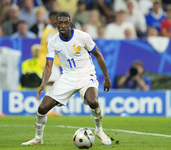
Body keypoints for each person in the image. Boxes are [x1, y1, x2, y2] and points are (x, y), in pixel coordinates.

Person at [21, 11, 112, 146]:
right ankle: (38, 138)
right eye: (60, 23)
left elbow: (98, 55)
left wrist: (107, 78)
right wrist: (43, 83)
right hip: (67, 77)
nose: (63, 25)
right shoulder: (53, 41)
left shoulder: (82, 36)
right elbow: (48, 65)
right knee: (42, 108)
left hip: (86, 75)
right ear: (56, 24)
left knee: (92, 101)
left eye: (65, 22)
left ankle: (99, 130)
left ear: (70, 23)